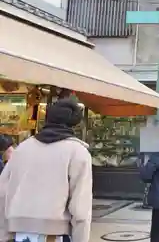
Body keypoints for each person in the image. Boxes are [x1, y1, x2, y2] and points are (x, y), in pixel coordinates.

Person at [0, 98, 93, 242]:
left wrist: (3, 235)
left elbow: (3, 193)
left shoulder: (22, 149)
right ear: (74, 123)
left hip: (19, 232)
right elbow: (81, 208)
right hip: (55, 234)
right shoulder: (77, 152)